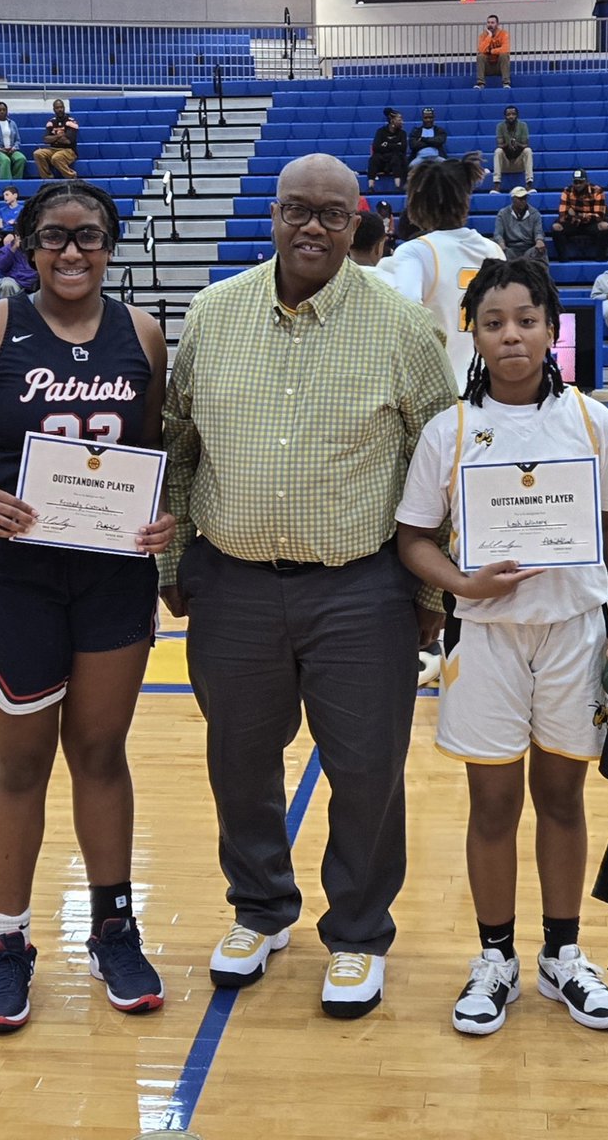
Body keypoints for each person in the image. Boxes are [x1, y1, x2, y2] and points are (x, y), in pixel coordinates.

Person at [160, 153, 457, 1021]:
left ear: (358, 220)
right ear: (275, 213)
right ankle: (259, 910)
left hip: (360, 589)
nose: (313, 227)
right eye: (298, 210)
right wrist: (174, 567)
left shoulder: (402, 328)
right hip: (233, 585)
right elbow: (179, 446)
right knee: (239, 764)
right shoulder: (213, 316)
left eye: (332, 213)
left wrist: (430, 595)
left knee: (367, 771)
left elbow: (435, 463)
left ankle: (359, 932)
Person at [0, 179, 175, 1033]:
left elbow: (154, 447)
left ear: (110, 243)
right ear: (27, 243)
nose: (72, 251)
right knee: (21, 763)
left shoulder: (141, 333)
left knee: (101, 751)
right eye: (55, 236)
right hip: (12, 575)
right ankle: (8, 943)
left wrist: (163, 513)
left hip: (109, 572)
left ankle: (113, 926)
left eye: (89, 236)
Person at [394, 257, 608, 1037]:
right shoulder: (449, 429)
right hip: (486, 641)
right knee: (492, 804)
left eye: (525, 320)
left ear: (551, 328)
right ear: (473, 332)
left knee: (561, 797)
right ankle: (494, 956)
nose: (510, 336)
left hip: (574, 632)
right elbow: (412, 540)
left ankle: (562, 955)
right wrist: (462, 585)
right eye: (493, 322)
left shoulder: (595, 422)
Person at [374, 151, 504, 388]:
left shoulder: (415, 252)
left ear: (418, 202)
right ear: (465, 198)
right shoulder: (493, 250)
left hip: (438, 390)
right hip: (488, 387)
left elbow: (404, 319)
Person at [551, 170, 608, 261]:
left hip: (591, 224)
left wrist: (576, 215)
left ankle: (600, 258)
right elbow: (563, 215)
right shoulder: (567, 191)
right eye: (576, 182)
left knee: (605, 226)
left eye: (581, 182)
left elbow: (599, 216)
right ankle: (563, 258)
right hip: (573, 224)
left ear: (586, 181)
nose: (578, 185)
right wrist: (585, 216)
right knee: (556, 227)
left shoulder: (597, 191)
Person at [493, 186, 546, 263]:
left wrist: (539, 240)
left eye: (525, 198)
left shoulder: (535, 213)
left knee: (540, 250)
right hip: (510, 248)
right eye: (520, 198)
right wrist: (501, 243)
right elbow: (498, 234)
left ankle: (541, 275)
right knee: (500, 251)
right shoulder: (503, 213)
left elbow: (538, 232)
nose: (523, 201)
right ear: (513, 199)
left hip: (529, 247)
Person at [34, 99, 79, 180]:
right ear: (54, 109)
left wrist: (53, 137)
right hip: (53, 149)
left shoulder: (71, 121)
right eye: (57, 108)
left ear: (64, 108)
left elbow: (68, 141)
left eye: (61, 107)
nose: (59, 109)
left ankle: (72, 177)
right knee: (38, 153)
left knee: (56, 157)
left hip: (69, 150)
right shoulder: (51, 122)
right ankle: (48, 179)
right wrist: (58, 136)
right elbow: (45, 139)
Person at [492, 106, 534, 193]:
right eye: (508, 114)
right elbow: (499, 144)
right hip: (505, 163)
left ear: (517, 115)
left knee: (528, 150)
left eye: (513, 114)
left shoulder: (523, 125)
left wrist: (516, 144)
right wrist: (509, 144)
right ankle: (497, 184)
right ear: (505, 116)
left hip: (519, 163)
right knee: (498, 151)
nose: (511, 116)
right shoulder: (500, 126)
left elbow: (525, 144)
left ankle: (529, 184)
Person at [367, 108, 407, 192]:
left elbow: (403, 148)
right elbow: (376, 147)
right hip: (382, 158)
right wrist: (395, 145)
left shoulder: (402, 133)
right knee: (374, 159)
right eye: (400, 120)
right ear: (392, 121)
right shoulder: (381, 131)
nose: (402, 122)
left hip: (395, 158)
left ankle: (397, 186)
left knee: (397, 158)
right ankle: (371, 187)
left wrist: (386, 145)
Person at [0, 101, 27, 180]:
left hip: (11, 150)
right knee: (5, 160)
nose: (2, 112)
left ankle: (16, 182)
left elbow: (18, 140)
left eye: (4, 110)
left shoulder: (12, 123)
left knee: (21, 158)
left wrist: (14, 148)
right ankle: (6, 184)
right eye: (0, 110)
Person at [476, 15, 511, 88]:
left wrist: (491, 51)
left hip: (500, 67)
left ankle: (506, 83)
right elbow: (481, 50)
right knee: (480, 56)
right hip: (487, 67)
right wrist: (489, 36)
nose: (490, 25)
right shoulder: (483, 35)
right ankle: (480, 84)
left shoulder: (503, 34)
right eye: (488, 22)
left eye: (492, 23)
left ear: (497, 24)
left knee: (504, 55)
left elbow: (506, 49)